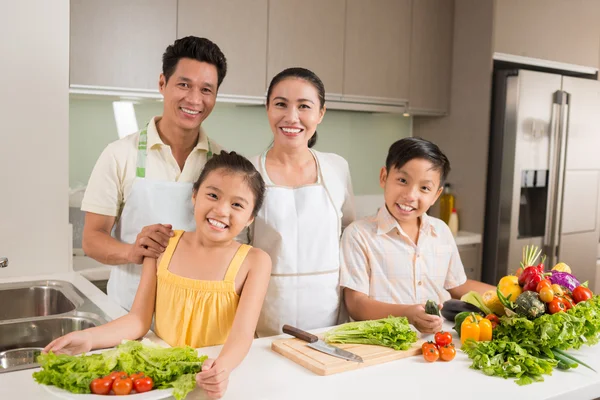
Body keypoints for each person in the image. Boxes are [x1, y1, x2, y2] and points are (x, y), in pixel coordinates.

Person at [45, 152, 272, 399]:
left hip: (215, 378)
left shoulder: (255, 261)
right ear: (195, 195)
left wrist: (221, 369)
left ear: (250, 218)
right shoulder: (164, 244)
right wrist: (88, 339)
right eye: (213, 195)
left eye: (237, 204)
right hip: (161, 381)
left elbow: (242, 336)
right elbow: (138, 320)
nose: (221, 210)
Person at [80, 36, 227, 310]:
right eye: (184, 85)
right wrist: (131, 251)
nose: (195, 99)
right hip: (128, 312)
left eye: (207, 90)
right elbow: (91, 238)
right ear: (163, 83)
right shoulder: (120, 154)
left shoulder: (222, 163)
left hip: (195, 313)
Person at [339, 137, 495, 334]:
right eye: (403, 181)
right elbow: (356, 304)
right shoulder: (359, 234)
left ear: (436, 195)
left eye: (424, 188)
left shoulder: (440, 231)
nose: (411, 195)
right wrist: (408, 314)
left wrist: (508, 294)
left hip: (437, 342)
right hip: (382, 344)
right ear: (384, 177)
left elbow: (458, 285)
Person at [244, 67, 356, 337]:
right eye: (280, 104)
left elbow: (350, 235)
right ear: (268, 109)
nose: (291, 117)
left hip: (330, 320)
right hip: (265, 319)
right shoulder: (246, 171)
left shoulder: (337, 167)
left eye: (304, 106)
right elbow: (234, 250)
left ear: (321, 113)